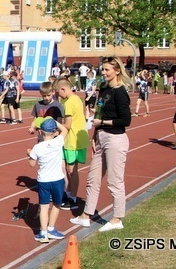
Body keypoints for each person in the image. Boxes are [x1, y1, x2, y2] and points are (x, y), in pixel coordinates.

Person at [70, 56, 132, 232]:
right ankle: (86, 215)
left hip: (115, 139)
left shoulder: (121, 92)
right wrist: (95, 136)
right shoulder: (103, 88)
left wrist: (103, 124)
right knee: (92, 178)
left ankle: (117, 218)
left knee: (114, 180)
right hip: (101, 137)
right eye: (102, 69)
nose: (103, 73)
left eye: (107, 70)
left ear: (117, 71)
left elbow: (125, 120)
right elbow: (98, 112)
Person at [27, 117, 69, 243]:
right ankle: (51, 228)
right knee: (57, 204)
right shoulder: (58, 142)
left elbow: (32, 164)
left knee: (44, 207)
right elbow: (65, 130)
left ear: (40, 132)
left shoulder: (37, 147)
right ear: (55, 132)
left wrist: (29, 154)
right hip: (58, 179)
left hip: (44, 180)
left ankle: (43, 232)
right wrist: (55, 121)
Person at [54, 77, 89, 210]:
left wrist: (53, 125)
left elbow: (67, 125)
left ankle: (73, 198)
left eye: (58, 93)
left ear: (63, 89)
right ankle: (69, 194)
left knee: (71, 171)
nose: (58, 96)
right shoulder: (76, 99)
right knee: (70, 170)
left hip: (73, 140)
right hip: (77, 139)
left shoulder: (69, 103)